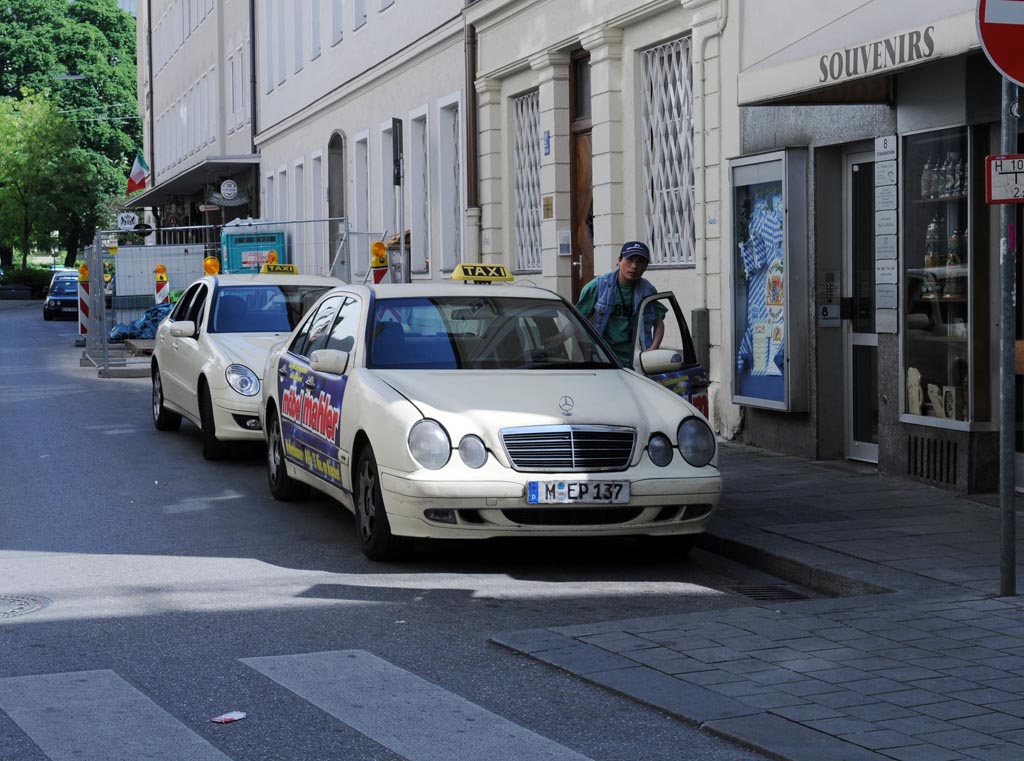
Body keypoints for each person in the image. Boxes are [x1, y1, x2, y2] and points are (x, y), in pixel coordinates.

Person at [575, 241, 665, 368]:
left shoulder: (648, 290)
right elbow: (576, 319)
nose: (634, 266)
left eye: (640, 262)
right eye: (629, 260)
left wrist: (652, 351)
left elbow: (659, 322)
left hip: (639, 361)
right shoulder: (598, 286)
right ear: (619, 261)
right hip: (606, 359)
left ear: (645, 266)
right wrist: (556, 340)